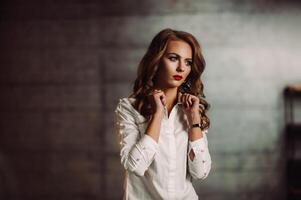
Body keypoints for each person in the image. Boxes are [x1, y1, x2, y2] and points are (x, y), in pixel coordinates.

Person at [113, 28, 212, 200]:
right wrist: (157, 115)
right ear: (157, 61)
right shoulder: (129, 108)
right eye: (173, 58)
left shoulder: (193, 109)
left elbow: (200, 172)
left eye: (188, 62)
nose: (181, 68)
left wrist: (194, 120)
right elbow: (135, 166)